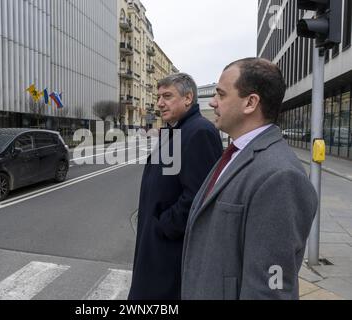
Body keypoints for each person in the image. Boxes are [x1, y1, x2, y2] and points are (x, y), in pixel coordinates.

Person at [181, 58, 318, 300]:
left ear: (250, 102)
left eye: (221, 95)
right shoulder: (236, 153)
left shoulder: (280, 176)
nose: (212, 102)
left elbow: (269, 289)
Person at [128, 73, 223, 300]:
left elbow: (199, 195)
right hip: (156, 246)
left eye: (167, 96)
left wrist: (164, 226)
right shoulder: (176, 130)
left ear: (188, 98)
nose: (160, 103)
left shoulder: (199, 132)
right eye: (158, 96)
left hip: (170, 253)